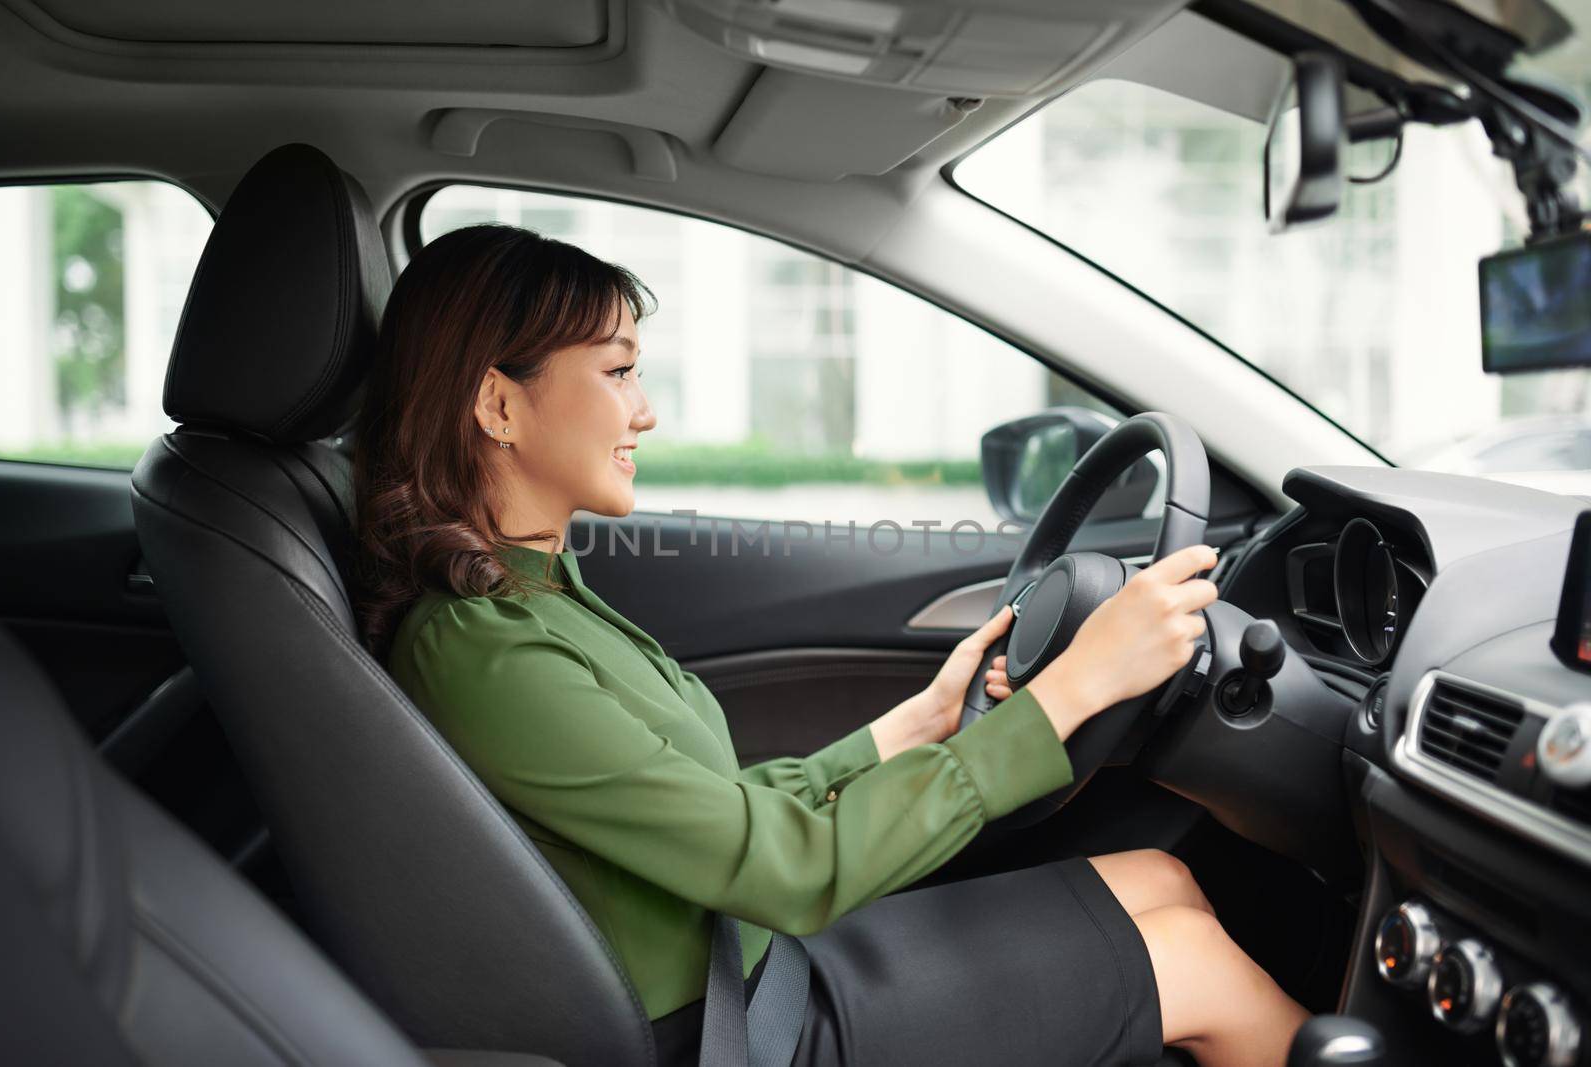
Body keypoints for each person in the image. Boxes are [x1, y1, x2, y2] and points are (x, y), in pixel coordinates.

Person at [352, 224, 1311, 1067]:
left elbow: (712, 816)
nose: (645, 409)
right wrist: (1077, 688)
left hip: (748, 961)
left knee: (1162, 876)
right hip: (744, 1029)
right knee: (1194, 967)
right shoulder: (486, 648)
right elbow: (786, 868)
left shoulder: (538, 601)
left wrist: (917, 724)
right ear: (498, 405)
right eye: (617, 371)